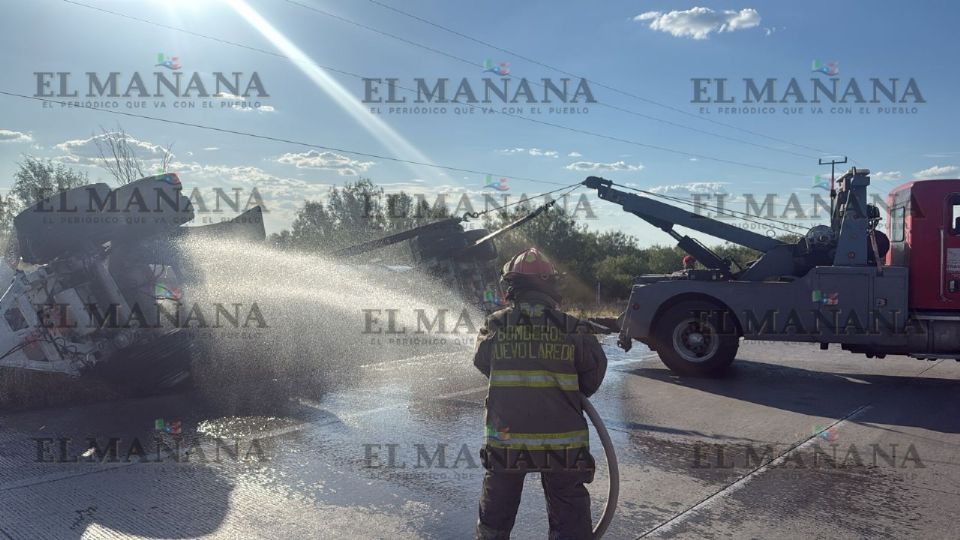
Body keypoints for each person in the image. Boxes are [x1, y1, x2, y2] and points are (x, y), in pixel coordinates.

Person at [473, 247, 608, 540]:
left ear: (511, 287)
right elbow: (593, 376)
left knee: (496, 514)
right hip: (562, 445)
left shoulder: (496, 324)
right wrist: (564, 392)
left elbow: (484, 363)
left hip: (507, 441)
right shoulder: (575, 328)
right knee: (570, 519)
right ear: (550, 285)